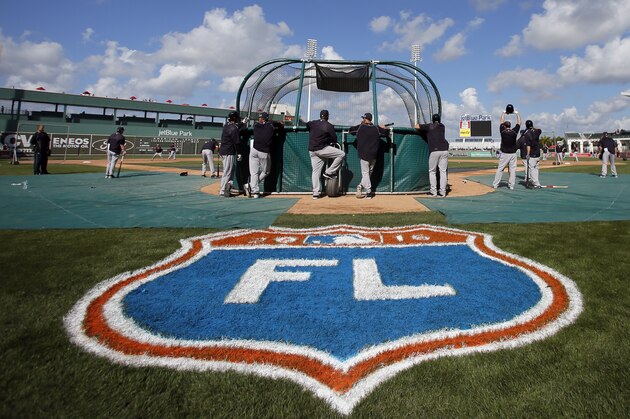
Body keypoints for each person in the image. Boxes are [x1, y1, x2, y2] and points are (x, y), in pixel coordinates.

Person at [306, 109, 345, 199]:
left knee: (315, 172)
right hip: (322, 149)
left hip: (312, 150)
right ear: (327, 116)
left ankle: (316, 193)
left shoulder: (313, 123)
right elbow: (334, 139)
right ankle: (329, 172)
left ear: (320, 116)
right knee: (341, 154)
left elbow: (307, 124)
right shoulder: (328, 125)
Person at [348, 112, 389, 199]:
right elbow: (386, 133)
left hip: (364, 155)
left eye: (364, 118)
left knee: (366, 173)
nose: (363, 119)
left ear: (366, 119)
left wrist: (361, 124)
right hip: (374, 155)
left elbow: (350, 130)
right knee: (368, 173)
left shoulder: (360, 127)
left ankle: (368, 192)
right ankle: (361, 186)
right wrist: (383, 128)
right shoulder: (376, 128)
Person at [244, 112, 278, 198]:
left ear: (260, 118)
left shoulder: (256, 125)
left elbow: (263, 123)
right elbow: (275, 124)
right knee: (265, 171)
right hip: (264, 152)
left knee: (254, 173)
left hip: (254, 151)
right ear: (266, 118)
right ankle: (251, 187)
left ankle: (254, 190)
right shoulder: (270, 126)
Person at [415, 113, 449, 197]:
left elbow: (416, 126)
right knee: (443, 172)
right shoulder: (442, 126)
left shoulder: (429, 126)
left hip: (435, 151)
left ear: (433, 120)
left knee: (432, 171)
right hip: (444, 150)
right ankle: (443, 192)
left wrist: (424, 126)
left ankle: (433, 192)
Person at [492, 107, 522, 189]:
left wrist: (503, 113)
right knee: (512, 171)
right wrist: (516, 113)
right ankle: (511, 186)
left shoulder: (502, 131)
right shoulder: (514, 132)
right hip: (513, 153)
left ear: (504, 126)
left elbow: (501, 121)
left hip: (504, 153)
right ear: (510, 126)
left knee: (500, 169)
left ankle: (495, 184)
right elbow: (519, 122)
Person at [218, 111, 243, 197]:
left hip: (223, 151)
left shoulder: (226, 126)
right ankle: (223, 190)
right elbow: (236, 142)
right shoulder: (233, 128)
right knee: (227, 172)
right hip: (228, 152)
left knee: (230, 171)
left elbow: (234, 128)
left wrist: (242, 123)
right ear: (235, 118)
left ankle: (226, 188)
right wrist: (239, 153)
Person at [523, 120, 543, 188]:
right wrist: (533, 128)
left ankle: (536, 183)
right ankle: (536, 181)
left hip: (533, 153)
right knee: (536, 168)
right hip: (538, 153)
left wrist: (528, 154)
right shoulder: (537, 131)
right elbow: (539, 129)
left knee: (532, 169)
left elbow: (528, 146)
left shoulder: (527, 134)